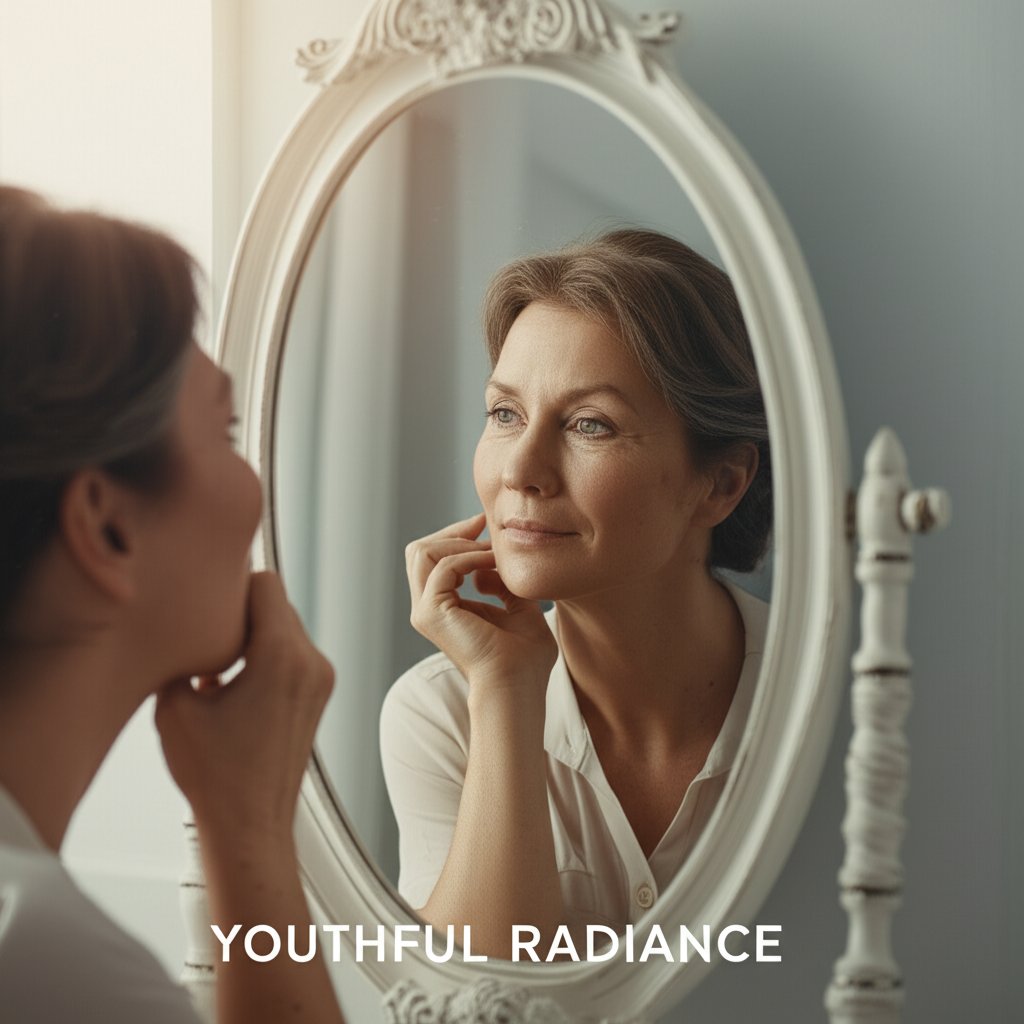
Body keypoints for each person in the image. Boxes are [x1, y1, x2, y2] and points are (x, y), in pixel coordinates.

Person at [0, 186, 345, 1023]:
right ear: (107, 526)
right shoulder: (42, 958)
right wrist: (250, 827)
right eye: (226, 433)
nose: (256, 489)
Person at [380, 228, 771, 959]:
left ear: (720, 483)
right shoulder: (439, 714)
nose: (519, 471)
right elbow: (477, 996)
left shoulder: (828, 703)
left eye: (589, 425)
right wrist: (504, 688)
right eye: (505, 414)